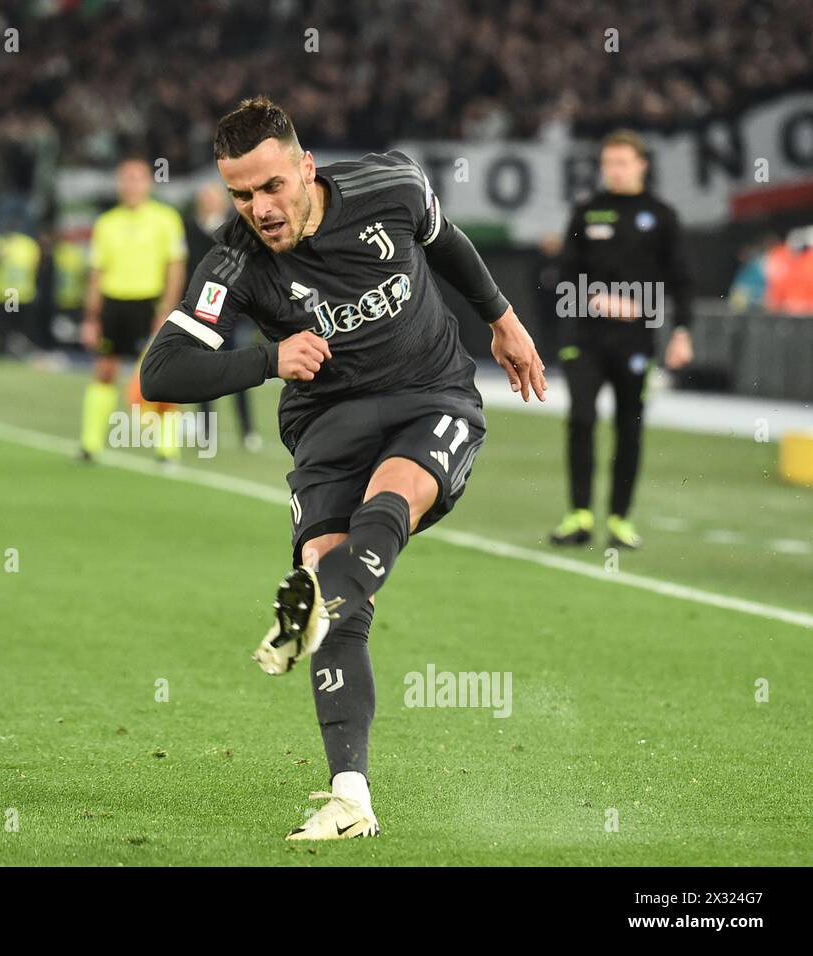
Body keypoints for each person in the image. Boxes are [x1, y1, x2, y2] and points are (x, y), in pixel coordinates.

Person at [140, 96, 545, 840]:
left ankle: (321, 594)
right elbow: (160, 372)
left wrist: (503, 319)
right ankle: (351, 799)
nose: (258, 208)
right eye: (239, 193)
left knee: (391, 499)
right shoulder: (233, 257)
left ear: (306, 168)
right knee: (343, 611)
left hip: (430, 395)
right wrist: (267, 359)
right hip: (327, 425)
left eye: (271, 187)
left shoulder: (390, 186)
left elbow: (447, 241)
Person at [549, 130, 694, 550]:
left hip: (635, 341)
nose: (613, 170)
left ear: (641, 165)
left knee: (629, 426)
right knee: (581, 419)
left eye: (622, 162)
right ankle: (579, 514)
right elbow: (563, 274)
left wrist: (681, 331)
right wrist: (595, 299)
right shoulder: (587, 212)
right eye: (608, 163)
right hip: (585, 337)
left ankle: (619, 519)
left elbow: (682, 279)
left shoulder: (661, 216)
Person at [79, 158, 187, 462]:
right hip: (114, 304)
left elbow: (175, 267)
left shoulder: (166, 218)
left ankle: (167, 449)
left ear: (149, 183)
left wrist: (167, 309)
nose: (131, 185)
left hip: (149, 303)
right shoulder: (106, 223)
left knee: (162, 375)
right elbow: (96, 273)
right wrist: (91, 317)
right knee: (104, 371)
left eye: (137, 178)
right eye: (125, 179)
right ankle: (90, 445)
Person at [187, 181, 261, 452]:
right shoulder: (190, 229)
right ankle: (205, 430)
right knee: (201, 373)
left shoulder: (235, 228)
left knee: (237, 370)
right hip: (201, 311)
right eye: (205, 198)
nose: (209, 203)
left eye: (214, 198)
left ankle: (247, 429)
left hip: (231, 310)